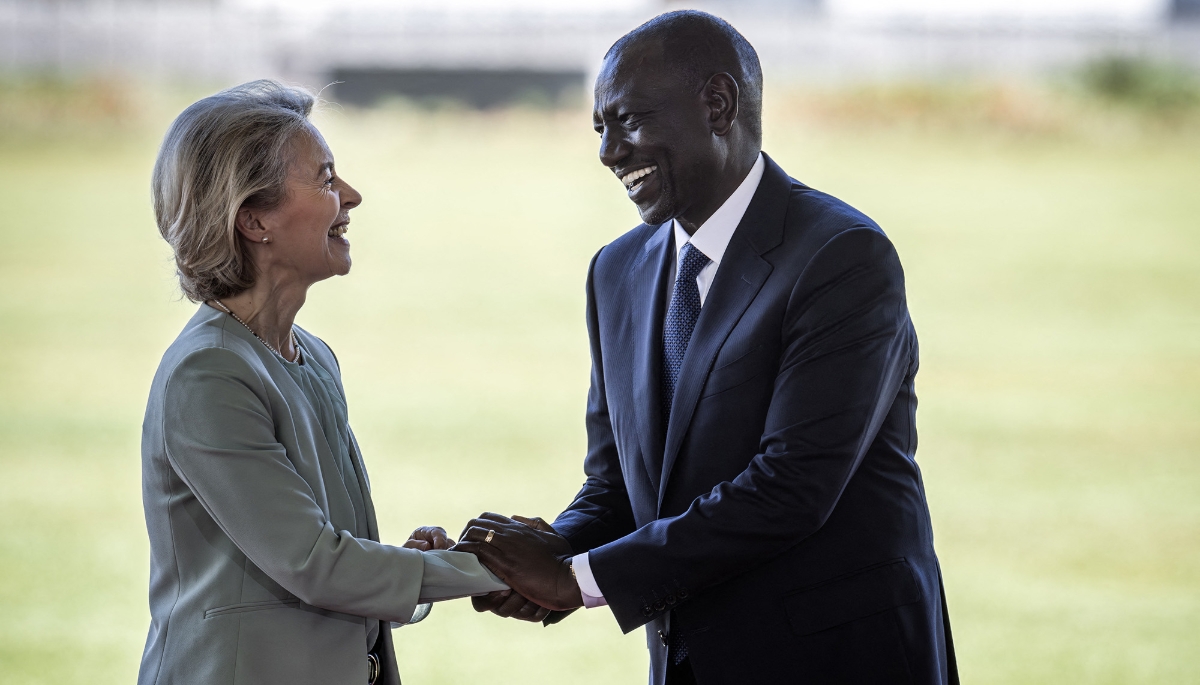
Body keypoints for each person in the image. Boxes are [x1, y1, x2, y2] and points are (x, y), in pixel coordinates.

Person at [454, 11, 958, 685]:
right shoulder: (616, 270)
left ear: (717, 104)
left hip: (840, 657)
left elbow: (790, 489)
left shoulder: (841, 257)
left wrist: (577, 578)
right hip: (689, 661)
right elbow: (618, 485)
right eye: (599, 128)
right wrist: (540, 559)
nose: (608, 152)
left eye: (628, 120)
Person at [139, 80, 506, 685]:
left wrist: (416, 563)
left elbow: (324, 552)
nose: (352, 196)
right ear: (254, 218)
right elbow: (315, 564)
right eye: (328, 179)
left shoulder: (309, 355)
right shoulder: (207, 375)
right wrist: (504, 570)